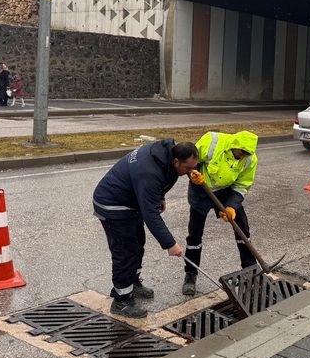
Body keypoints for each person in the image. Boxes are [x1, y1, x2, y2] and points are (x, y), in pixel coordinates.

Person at [93, 140, 199, 318]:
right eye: (187, 169)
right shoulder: (149, 172)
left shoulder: (165, 154)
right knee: (125, 252)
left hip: (131, 202)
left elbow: (161, 179)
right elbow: (151, 215)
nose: (190, 173)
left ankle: (133, 282)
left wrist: (159, 197)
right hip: (113, 205)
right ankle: (121, 300)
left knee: (138, 243)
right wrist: (170, 244)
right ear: (176, 162)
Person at [182, 131, 259, 296]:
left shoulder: (250, 159)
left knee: (242, 229)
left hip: (226, 192)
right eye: (241, 153)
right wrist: (193, 174)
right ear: (234, 146)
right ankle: (190, 274)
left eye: (247, 154)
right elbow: (190, 162)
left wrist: (231, 206)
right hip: (202, 190)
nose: (243, 157)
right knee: (195, 235)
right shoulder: (211, 141)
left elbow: (242, 185)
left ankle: (251, 270)